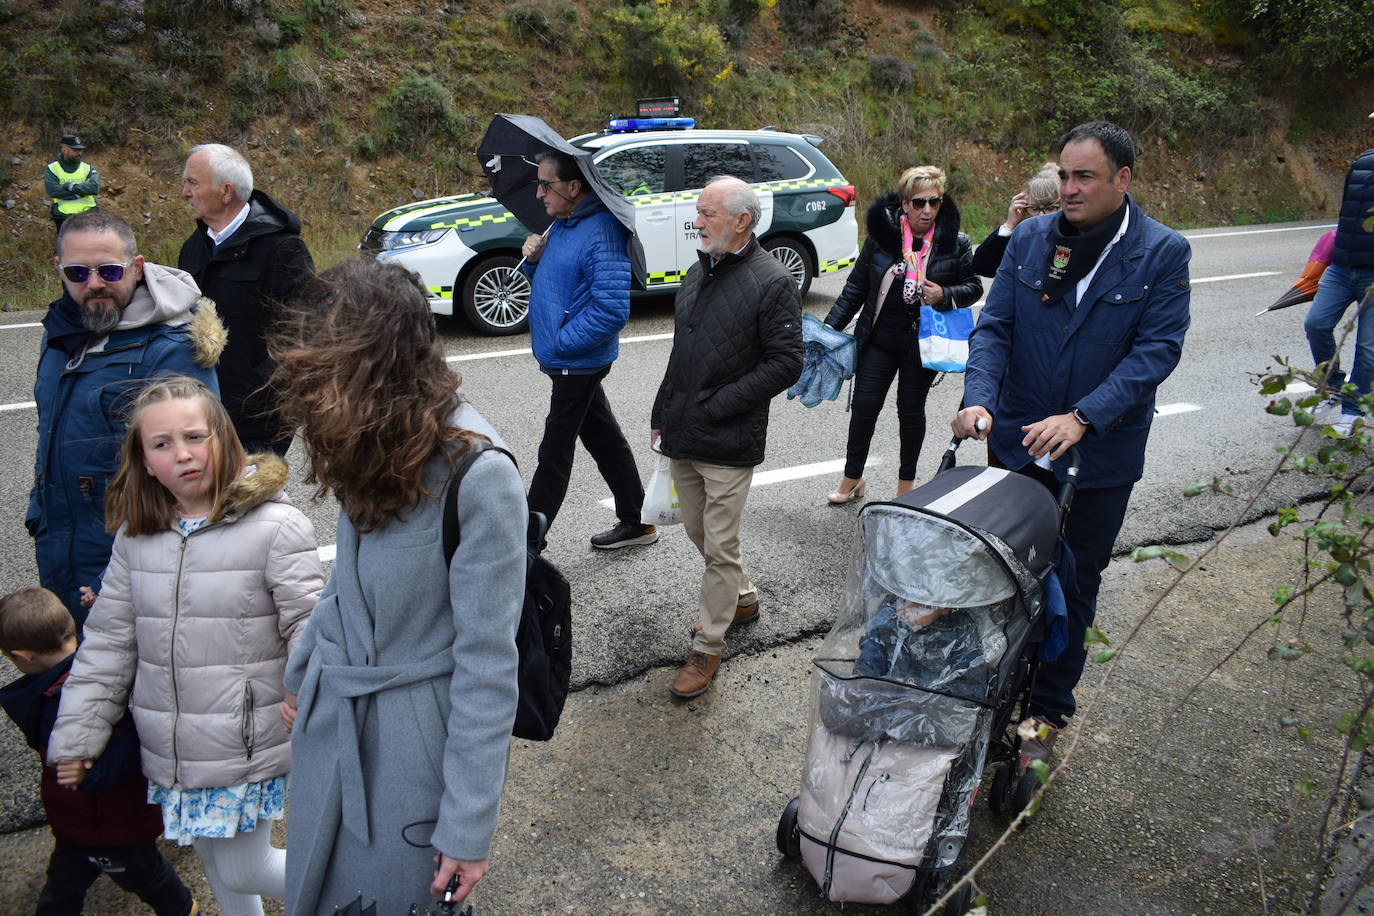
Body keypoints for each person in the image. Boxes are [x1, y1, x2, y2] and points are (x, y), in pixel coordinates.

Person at [269, 259, 526, 913]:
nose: (317, 386)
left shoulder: (479, 472)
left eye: (333, 368)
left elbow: (488, 665)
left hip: (411, 752)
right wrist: (304, 672)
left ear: (383, 365)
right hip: (336, 712)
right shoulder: (370, 431)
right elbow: (343, 586)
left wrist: (468, 827)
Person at [952, 120, 1191, 770]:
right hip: (1019, 443)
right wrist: (978, 398)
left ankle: (1045, 712)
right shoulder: (1031, 238)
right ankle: (993, 686)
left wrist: (1085, 417)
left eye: (1084, 176)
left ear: (1123, 179)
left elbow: (1155, 353)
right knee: (1008, 573)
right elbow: (995, 327)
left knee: (1074, 582)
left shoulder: (1162, 252)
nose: (1070, 188)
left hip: (1099, 460)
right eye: (1064, 175)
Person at [48, 377, 324, 916]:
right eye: (162, 444)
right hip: (171, 747)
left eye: (195, 437)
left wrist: (299, 692)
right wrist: (79, 736)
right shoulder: (136, 536)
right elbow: (107, 644)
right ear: (145, 462)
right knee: (222, 873)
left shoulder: (275, 526)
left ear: (223, 439)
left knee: (245, 865)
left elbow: (310, 629)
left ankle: (376, 888)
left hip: (244, 740)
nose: (183, 454)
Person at [31, 210, 224, 626]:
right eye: (78, 272)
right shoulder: (61, 334)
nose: (95, 283)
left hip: (125, 558)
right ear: (59, 270)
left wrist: (113, 575)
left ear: (137, 268)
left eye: (110, 270)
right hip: (61, 544)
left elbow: (195, 479)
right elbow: (50, 436)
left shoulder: (172, 348)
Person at [651, 176, 802, 698]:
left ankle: (708, 647)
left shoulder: (773, 281)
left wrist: (719, 405)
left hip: (729, 437)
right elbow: (680, 353)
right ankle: (742, 597)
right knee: (697, 531)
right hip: (683, 431)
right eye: (698, 211)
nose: (697, 221)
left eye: (707, 213)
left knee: (718, 544)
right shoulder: (697, 272)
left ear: (742, 221)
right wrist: (661, 411)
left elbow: (786, 363)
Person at [0, 586, 196, 916]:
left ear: (24, 657)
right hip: (92, 821)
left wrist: (88, 771)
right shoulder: (107, 669)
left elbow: (131, 746)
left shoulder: (48, 701)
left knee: (152, 881)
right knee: (67, 887)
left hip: (109, 823)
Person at [520, 149, 655, 549]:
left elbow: (611, 310)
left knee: (554, 452)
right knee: (604, 438)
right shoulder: (561, 224)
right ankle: (638, 520)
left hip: (575, 363)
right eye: (538, 184)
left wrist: (562, 343)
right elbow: (563, 284)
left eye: (547, 185)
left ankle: (526, 545)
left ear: (574, 187)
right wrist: (533, 260)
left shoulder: (601, 230)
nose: (540, 194)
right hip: (566, 359)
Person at [823, 166, 982, 503]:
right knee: (865, 407)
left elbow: (973, 287)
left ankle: (906, 486)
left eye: (934, 202)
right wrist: (827, 332)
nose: (927, 210)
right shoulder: (882, 239)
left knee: (910, 411)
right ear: (904, 203)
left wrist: (944, 294)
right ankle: (853, 478)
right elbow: (854, 289)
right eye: (919, 202)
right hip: (879, 339)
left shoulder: (955, 242)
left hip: (920, 344)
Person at [178, 143, 315, 456]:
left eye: (193, 183)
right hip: (201, 413)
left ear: (226, 192)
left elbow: (304, 334)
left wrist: (259, 394)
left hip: (259, 422)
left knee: (246, 502)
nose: (185, 192)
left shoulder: (283, 250)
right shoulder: (193, 248)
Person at [1302, 146, 1374, 436]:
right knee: (1316, 324)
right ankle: (1334, 387)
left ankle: (1353, 410)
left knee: (1368, 348)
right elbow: (1346, 213)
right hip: (1342, 266)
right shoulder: (1361, 163)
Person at [971, 162, 1061, 277]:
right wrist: (1009, 225)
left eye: (1050, 208)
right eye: (1034, 208)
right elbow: (982, 268)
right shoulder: (1022, 235)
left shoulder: (1075, 236)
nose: (1040, 216)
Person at [45, 133, 100, 234]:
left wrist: (70, 186)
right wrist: (81, 192)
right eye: (75, 150)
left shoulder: (87, 168)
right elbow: (53, 191)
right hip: (64, 215)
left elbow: (94, 188)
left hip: (89, 214)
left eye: (80, 150)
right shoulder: (52, 169)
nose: (79, 153)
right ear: (64, 149)